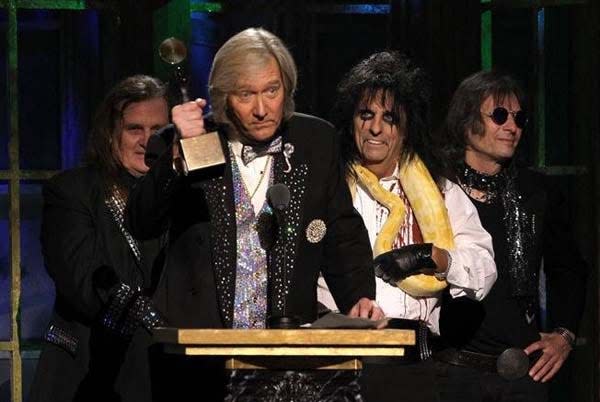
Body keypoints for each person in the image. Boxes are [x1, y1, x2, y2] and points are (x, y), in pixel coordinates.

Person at [126, 28, 383, 401]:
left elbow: (341, 233)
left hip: (285, 361)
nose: (262, 109)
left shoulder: (316, 141)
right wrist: (179, 156)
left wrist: (358, 298)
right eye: (246, 94)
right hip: (201, 359)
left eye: (272, 91)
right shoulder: (182, 141)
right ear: (222, 97)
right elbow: (142, 223)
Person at [316, 51, 497, 402]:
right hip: (339, 357)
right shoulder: (329, 188)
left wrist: (436, 258)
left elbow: (484, 270)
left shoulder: (440, 190)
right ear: (351, 121)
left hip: (413, 366)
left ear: (407, 126)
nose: (375, 128)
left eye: (390, 118)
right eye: (365, 115)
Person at [433, 70, 588, 402]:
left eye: (519, 118)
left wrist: (564, 335)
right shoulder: (436, 188)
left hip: (522, 376)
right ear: (465, 120)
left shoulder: (536, 191)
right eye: (499, 115)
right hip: (451, 374)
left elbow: (570, 269)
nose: (512, 126)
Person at [28, 75, 169, 402]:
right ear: (110, 135)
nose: (147, 142)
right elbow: (82, 280)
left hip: (161, 373)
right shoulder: (71, 191)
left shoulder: (184, 196)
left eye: (159, 131)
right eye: (135, 129)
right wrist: (152, 319)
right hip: (88, 374)